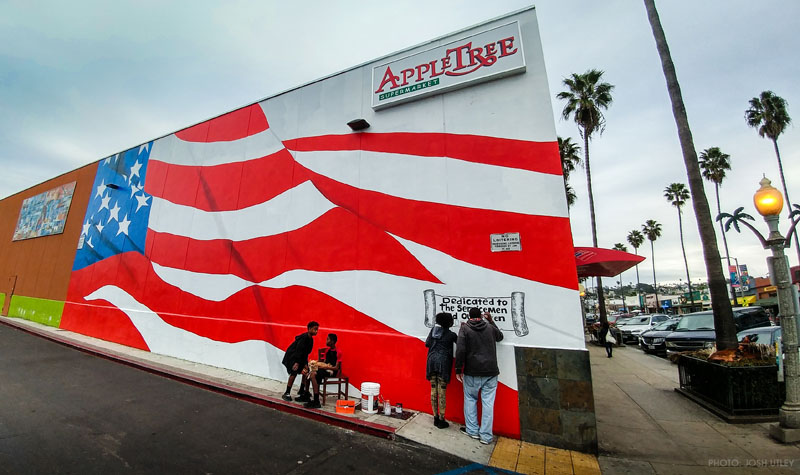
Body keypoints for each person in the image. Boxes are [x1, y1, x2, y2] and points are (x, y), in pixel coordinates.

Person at [455, 307, 503, 445]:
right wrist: (492, 321)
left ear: (469, 316)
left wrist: (458, 368)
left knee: (470, 400)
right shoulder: (489, 327)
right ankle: (486, 436)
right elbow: (500, 337)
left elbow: (460, 350)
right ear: (481, 316)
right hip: (491, 371)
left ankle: (472, 431)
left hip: (472, 371)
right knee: (488, 404)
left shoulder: (465, 329)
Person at [425, 312, 458, 429]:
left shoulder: (433, 332)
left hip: (431, 362)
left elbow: (427, 343)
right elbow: (460, 343)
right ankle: (442, 419)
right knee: (442, 391)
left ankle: (435, 417)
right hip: (443, 364)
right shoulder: (451, 335)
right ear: (448, 323)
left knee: (433, 389)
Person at [281, 321, 319, 401]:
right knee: (294, 372)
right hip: (293, 356)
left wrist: (305, 363)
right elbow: (298, 351)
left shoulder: (310, 340)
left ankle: (302, 390)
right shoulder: (303, 338)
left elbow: (306, 352)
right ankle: (287, 393)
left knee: (306, 372)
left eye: (317, 329)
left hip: (300, 358)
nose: (316, 331)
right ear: (309, 329)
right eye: (314, 329)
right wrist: (297, 363)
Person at [303, 333, 341, 409]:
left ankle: (316, 401)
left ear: (332, 341)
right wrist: (316, 364)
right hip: (324, 369)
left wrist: (324, 367)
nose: (326, 341)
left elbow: (336, 368)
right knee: (307, 373)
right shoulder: (327, 351)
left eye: (328, 339)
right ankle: (306, 394)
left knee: (313, 375)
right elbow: (323, 362)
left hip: (331, 371)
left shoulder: (338, 352)